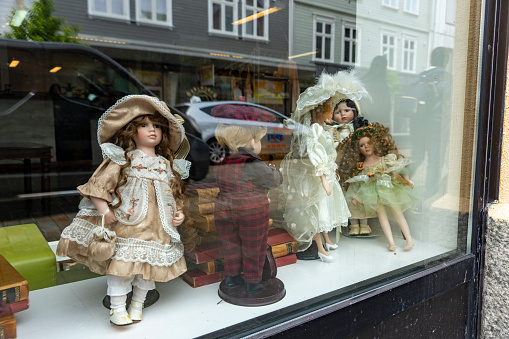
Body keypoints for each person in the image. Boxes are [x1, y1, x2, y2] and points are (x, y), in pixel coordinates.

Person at [56, 95, 191, 326]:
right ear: (132, 131)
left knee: (147, 269)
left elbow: (173, 191)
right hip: (127, 224)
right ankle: (118, 308)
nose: (152, 131)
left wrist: (179, 212)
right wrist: (104, 211)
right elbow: (98, 187)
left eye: (157, 127)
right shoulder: (123, 159)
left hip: (157, 227)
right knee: (121, 267)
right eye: (144, 126)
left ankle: (138, 304)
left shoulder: (165, 164)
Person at [279, 71, 366, 262]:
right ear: (321, 110)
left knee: (325, 211)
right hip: (318, 178)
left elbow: (328, 152)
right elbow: (316, 154)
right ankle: (320, 248)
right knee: (317, 212)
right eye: (330, 107)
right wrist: (324, 180)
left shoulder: (325, 129)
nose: (333, 110)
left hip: (328, 175)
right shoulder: (314, 131)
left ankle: (326, 240)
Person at [212, 105, 283, 296]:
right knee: (254, 245)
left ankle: (232, 277)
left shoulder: (222, 160)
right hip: (251, 209)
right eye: (259, 139)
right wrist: (275, 172)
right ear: (251, 141)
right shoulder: (251, 163)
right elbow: (274, 180)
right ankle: (253, 282)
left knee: (230, 244)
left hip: (224, 206)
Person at [339, 123, 416, 251]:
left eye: (368, 143)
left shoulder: (384, 160)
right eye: (362, 145)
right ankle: (391, 242)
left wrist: (407, 180)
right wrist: (357, 197)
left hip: (389, 189)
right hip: (373, 194)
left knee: (398, 212)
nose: (366, 147)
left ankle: (409, 240)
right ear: (358, 149)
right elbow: (362, 183)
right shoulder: (362, 166)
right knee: (382, 215)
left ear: (374, 143)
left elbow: (399, 168)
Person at [329, 99, 370, 235]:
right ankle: (353, 224)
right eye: (338, 112)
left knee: (361, 195)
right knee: (347, 196)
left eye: (347, 110)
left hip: (358, 166)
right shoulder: (334, 131)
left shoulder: (359, 129)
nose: (343, 114)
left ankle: (364, 224)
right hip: (342, 167)